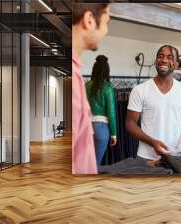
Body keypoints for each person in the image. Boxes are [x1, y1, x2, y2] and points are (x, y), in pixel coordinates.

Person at [126, 45, 181, 161]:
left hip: (177, 155)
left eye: (170, 57)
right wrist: (152, 142)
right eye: (160, 56)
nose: (164, 60)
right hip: (147, 157)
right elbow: (130, 123)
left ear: (176, 64)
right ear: (156, 61)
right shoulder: (139, 90)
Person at [72, 3, 110, 174]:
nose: (106, 31)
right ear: (89, 20)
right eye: (106, 22)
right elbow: (113, 114)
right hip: (102, 128)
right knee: (98, 162)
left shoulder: (82, 81)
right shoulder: (75, 78)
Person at [86, 55, 118, 167]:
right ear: (106, 71)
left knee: (85, 164)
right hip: (101, 129)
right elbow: (111, 113)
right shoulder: (108, 88)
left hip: (85, 128)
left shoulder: (86, 86)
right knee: (95, 165)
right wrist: (114, 134)